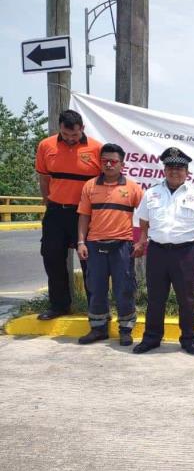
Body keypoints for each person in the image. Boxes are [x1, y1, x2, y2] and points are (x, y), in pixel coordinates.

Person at [132, 147, 194, 355]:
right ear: (164, 170)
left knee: (186, 299)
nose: (175, 171)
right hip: (157, 252)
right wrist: (142, 240)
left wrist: (189, 245)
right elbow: (144, 221)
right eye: (170, 167)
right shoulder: (152, 193)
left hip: (185, 253)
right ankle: (152, 338)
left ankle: (188, 339)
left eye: (180, 168)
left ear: (187, 172)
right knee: (156, 297)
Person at [34, 109, 102, 320]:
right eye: (66, 134)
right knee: (52, 257)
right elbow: (44, 179)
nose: (71, 139)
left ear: (82, 128)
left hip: (84, 214)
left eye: (75, 134)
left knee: (89, 261)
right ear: (60, 129)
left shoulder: (97, 148)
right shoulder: (46, 146)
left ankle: (96, 308)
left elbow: (102, 183)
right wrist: (48, 202)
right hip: (56, 211)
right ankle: (59, 306)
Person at [76, 143, 143, 346]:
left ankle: (125, 329)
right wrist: (81, 242)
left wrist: (141, 241)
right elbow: (83, 216)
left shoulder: (133, 188)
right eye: (104, 160)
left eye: (113, 161)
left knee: (124, 288)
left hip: (122, 246)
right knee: (96, 287)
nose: (108, 164)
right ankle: (98, 328)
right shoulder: (90, 186)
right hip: (95, 245)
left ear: (122, 164)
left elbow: (146, 217)